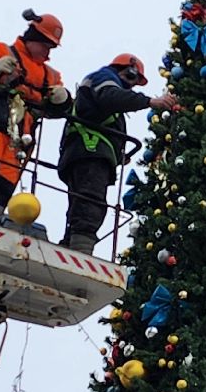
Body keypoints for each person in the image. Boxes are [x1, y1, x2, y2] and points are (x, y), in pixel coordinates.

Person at [0, 9, 71, 222]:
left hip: (19, 139)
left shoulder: (50, 75)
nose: (48, 53)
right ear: (34, 38)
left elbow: (58, 110)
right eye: (47, 46)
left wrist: (63, 99)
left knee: (4, 183)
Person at [57, 53, 176, 253]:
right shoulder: (104, 78)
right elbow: (111, 98)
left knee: (81, 200)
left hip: (86, 153)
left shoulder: (103, 85)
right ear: (126, 70)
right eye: (132, 79)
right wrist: (150, 102)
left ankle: (71, 242)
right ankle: (80, 248)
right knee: (90, 199)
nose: (132, 86)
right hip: (90, 152)